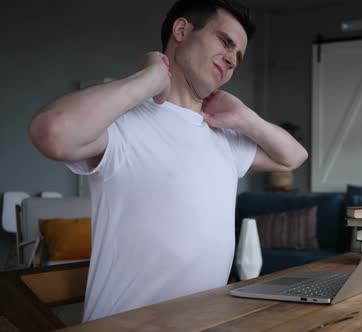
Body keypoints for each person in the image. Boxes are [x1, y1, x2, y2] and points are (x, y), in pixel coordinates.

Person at [28, 0, 307, 322]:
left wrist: (245, 118)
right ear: (182, 30)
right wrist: (150, 77)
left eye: (238, 58)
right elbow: (52, 131)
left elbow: (293, 157)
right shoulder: (123, 122)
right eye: (225, 41)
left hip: (204, 323)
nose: (232, 60)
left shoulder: (224, 136)